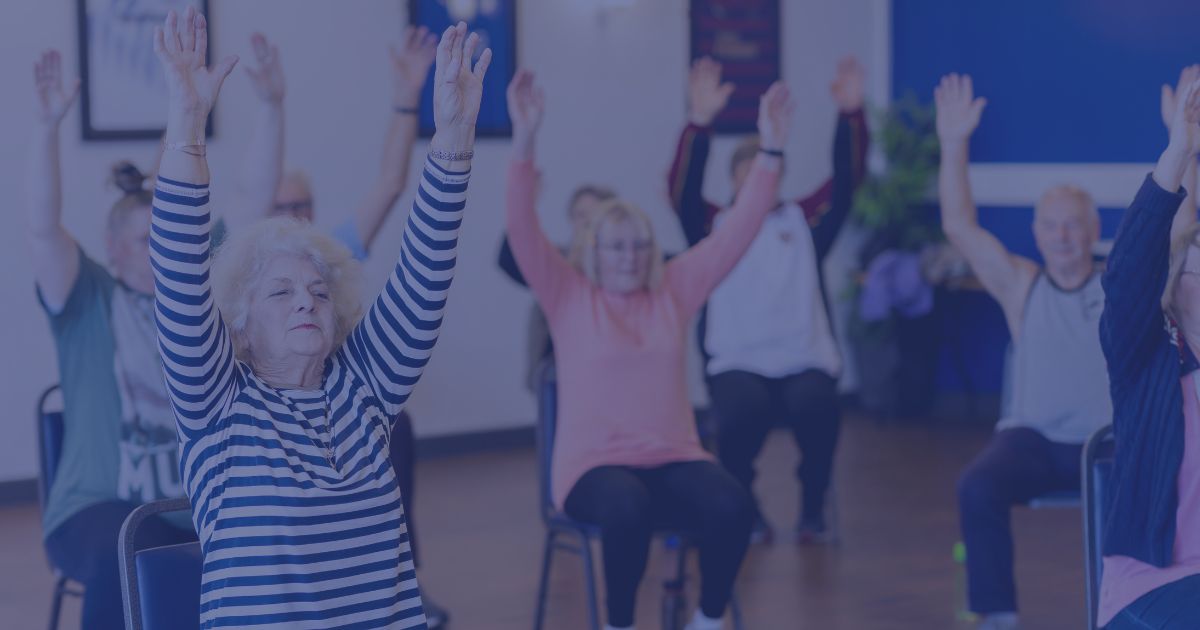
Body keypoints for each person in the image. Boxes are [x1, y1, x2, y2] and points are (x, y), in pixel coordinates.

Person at [149, 10, 488, 627]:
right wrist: (187, 129)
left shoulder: (364, 389)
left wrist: (455, 137)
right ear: (239, 326)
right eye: (280, 293)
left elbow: (425, 270)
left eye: (318, 292)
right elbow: (176, 275)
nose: (306, 300)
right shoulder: (217, 405)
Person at [505, 68, 789, 630]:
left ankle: (706, 621)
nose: (629, 256)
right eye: (616, 247)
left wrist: (773, 149)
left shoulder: (674, 290)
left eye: (639, 245)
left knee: (734, 505)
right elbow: (519, 228)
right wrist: (525, 138)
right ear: (592, 251)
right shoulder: (568, 295)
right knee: (626, 508)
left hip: (673, 457)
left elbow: (741, 227)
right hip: (593, 470)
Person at [935, 72, 1119, 630]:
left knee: (1165, 476)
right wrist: (953, 142)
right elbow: (959, 227)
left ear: (1094, 231)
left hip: (1107, 442)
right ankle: (998, 614)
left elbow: (1184, 232)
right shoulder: (1021, 284)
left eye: (1073, 225)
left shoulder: (1121, 285)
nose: (1062, 236)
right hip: (1033, 440)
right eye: (1051, 226)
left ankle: (1129, 608)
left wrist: (1187, 148)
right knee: (977, 485)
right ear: (1036, 233)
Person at [667, 56, 869, 543]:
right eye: (749, 176)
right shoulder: (713, 226)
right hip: (738, 361)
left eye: (768, 174)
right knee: (737, 419)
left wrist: (851, 116)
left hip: (803, 358)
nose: (759, 186)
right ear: (737, 183)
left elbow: (846, 183)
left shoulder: (805, 222)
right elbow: (683, 192)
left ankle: (813, 508)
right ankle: (746, 507)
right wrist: (698, 122)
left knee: (821, 411)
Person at [27, 49, 195, 630]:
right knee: (133, 543)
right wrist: (48, 127)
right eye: (144, 238)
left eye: (163, 237)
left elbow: (250, 197)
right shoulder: (89, 298)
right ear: (114, 243)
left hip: (185, 504)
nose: (157, 249)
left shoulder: (191, 306)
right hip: (96, 512)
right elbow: (43, 227)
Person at [1097, 70, 1200, 630]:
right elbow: (1129, 275)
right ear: (1179, 288)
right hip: (1155, 588)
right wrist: (1179, 150)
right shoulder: (1148, 362)